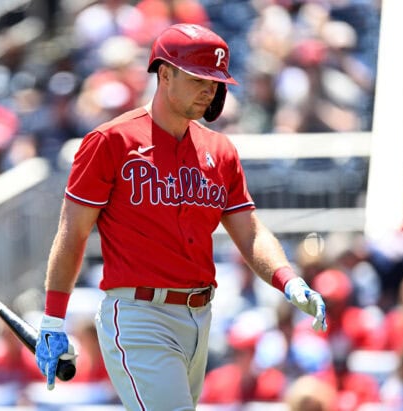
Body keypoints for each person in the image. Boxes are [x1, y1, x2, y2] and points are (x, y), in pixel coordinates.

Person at [34, 23, 327, 410]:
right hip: (139, 315)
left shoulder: (220, 150)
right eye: (199, 78)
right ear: (165, 74)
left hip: (200, 317)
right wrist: (54, 318)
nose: (210, 89)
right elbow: (72, 234)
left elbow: (249, 230)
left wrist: (287, 279)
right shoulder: (112, 142)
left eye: (216, 81)